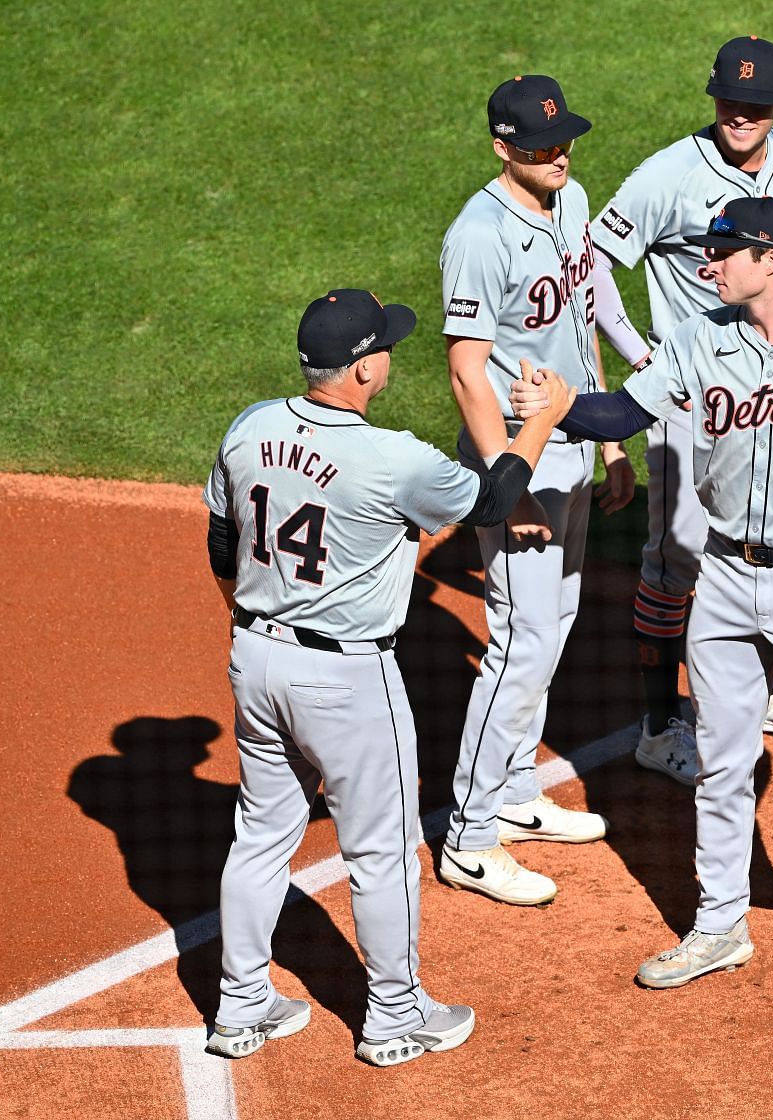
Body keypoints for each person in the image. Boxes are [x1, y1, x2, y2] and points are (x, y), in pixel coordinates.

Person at [513, 197, 773, 987]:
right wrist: (563, 406)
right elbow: (619, 415)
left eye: (723, 252)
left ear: (771, 259)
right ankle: (719, 925)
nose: (707, 265)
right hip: (724, 574)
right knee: (720, 759)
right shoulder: (699, 341)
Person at [201, 289, 577, 1067]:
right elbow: (495, 498)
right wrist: (543, 415)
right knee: (382, 852)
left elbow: (219, 541)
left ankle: (241, 1006)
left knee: (261, 834)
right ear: (366, 367)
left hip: (255, 655)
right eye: (388, 348)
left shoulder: (250, 426)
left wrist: (258, 618)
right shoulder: (393, 457)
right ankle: (396, 1018)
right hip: (346, 679)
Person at [587, 35, 773, 781]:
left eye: (757, 103)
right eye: (731, 100)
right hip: (696, 400)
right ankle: (660, 721)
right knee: (676, 559)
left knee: (768, 536)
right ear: (712, 95)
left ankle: (762, 687)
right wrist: (641, 353)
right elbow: (594, 263)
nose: (742, 114)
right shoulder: (667, 176)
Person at [435, 74, 634, 908]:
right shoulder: (478, 235)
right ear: (500, 148)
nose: (557, 156)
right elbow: (464, 369)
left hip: (573, 442)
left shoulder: (572, 194)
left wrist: (613, 434)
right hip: (519, 459)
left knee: (551, 627)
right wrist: (503, 484)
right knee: (519, 640)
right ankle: (469, 837)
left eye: (563, 141)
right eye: (538, 147)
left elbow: (585, 311)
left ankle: (515, 786)